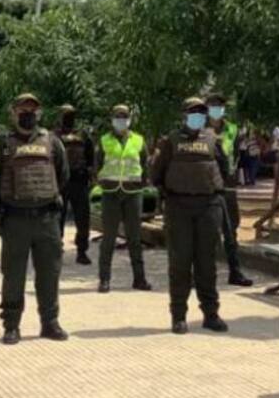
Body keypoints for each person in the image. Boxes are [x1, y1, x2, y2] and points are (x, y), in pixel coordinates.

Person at [0, 92, 69, 344]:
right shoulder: (2, 144)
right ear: (13, 113)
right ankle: (11, 325)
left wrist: (48, 197)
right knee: (13, 275)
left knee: (49, 273)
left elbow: (62, 175)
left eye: (32, 110)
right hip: (15, 220)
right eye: (23, 110)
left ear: (39, 113)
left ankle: (50, 322)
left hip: (46, 219)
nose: (28, 114)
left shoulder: (52, 142)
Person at [150, 97, 230, 335]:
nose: (197, 116)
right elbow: (157, 173)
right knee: (180, 263)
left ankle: (211, 314)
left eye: (201, 112)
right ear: (184, 115)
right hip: (179, 207)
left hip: (208, 206)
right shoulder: (170, 141)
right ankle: (178, 316)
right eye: (193, 112)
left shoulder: (213, 140)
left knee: (207, 263)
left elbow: (224, 169)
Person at [93, 104, 150, 293]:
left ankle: (139, 279)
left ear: (129, 119)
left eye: (124, 117)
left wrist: (143, 183)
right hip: (110, 193)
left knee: (134, 238)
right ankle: (104, 280)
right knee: (108, 238)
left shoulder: (139, 140)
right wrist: (100, 181)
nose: (121, 120)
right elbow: (97, 164)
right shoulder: (104, 140)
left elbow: (145, 164)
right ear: (112, 119)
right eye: (117, 117)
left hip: (133, 193)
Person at [205, 93, 253, 287]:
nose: (216, 108)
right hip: (206, 184)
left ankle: (235, 271)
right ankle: (204, 273)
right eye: (213, 105)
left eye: (220, 105)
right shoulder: (199, 129)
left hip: (228, 184)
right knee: (206, 232)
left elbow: (238, 155)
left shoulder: (233, 129)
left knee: (231, 231)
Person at [56, 104, 93, 265]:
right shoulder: (53, 136)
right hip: (60, 183)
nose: (68, 118)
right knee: (58, 218)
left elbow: (91, 156)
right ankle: (56, 248)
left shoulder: (83, 135)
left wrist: (90, 174)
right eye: (65, 115)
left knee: (83, 219)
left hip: (79, 181)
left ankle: (82, 251)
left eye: (71, 115)